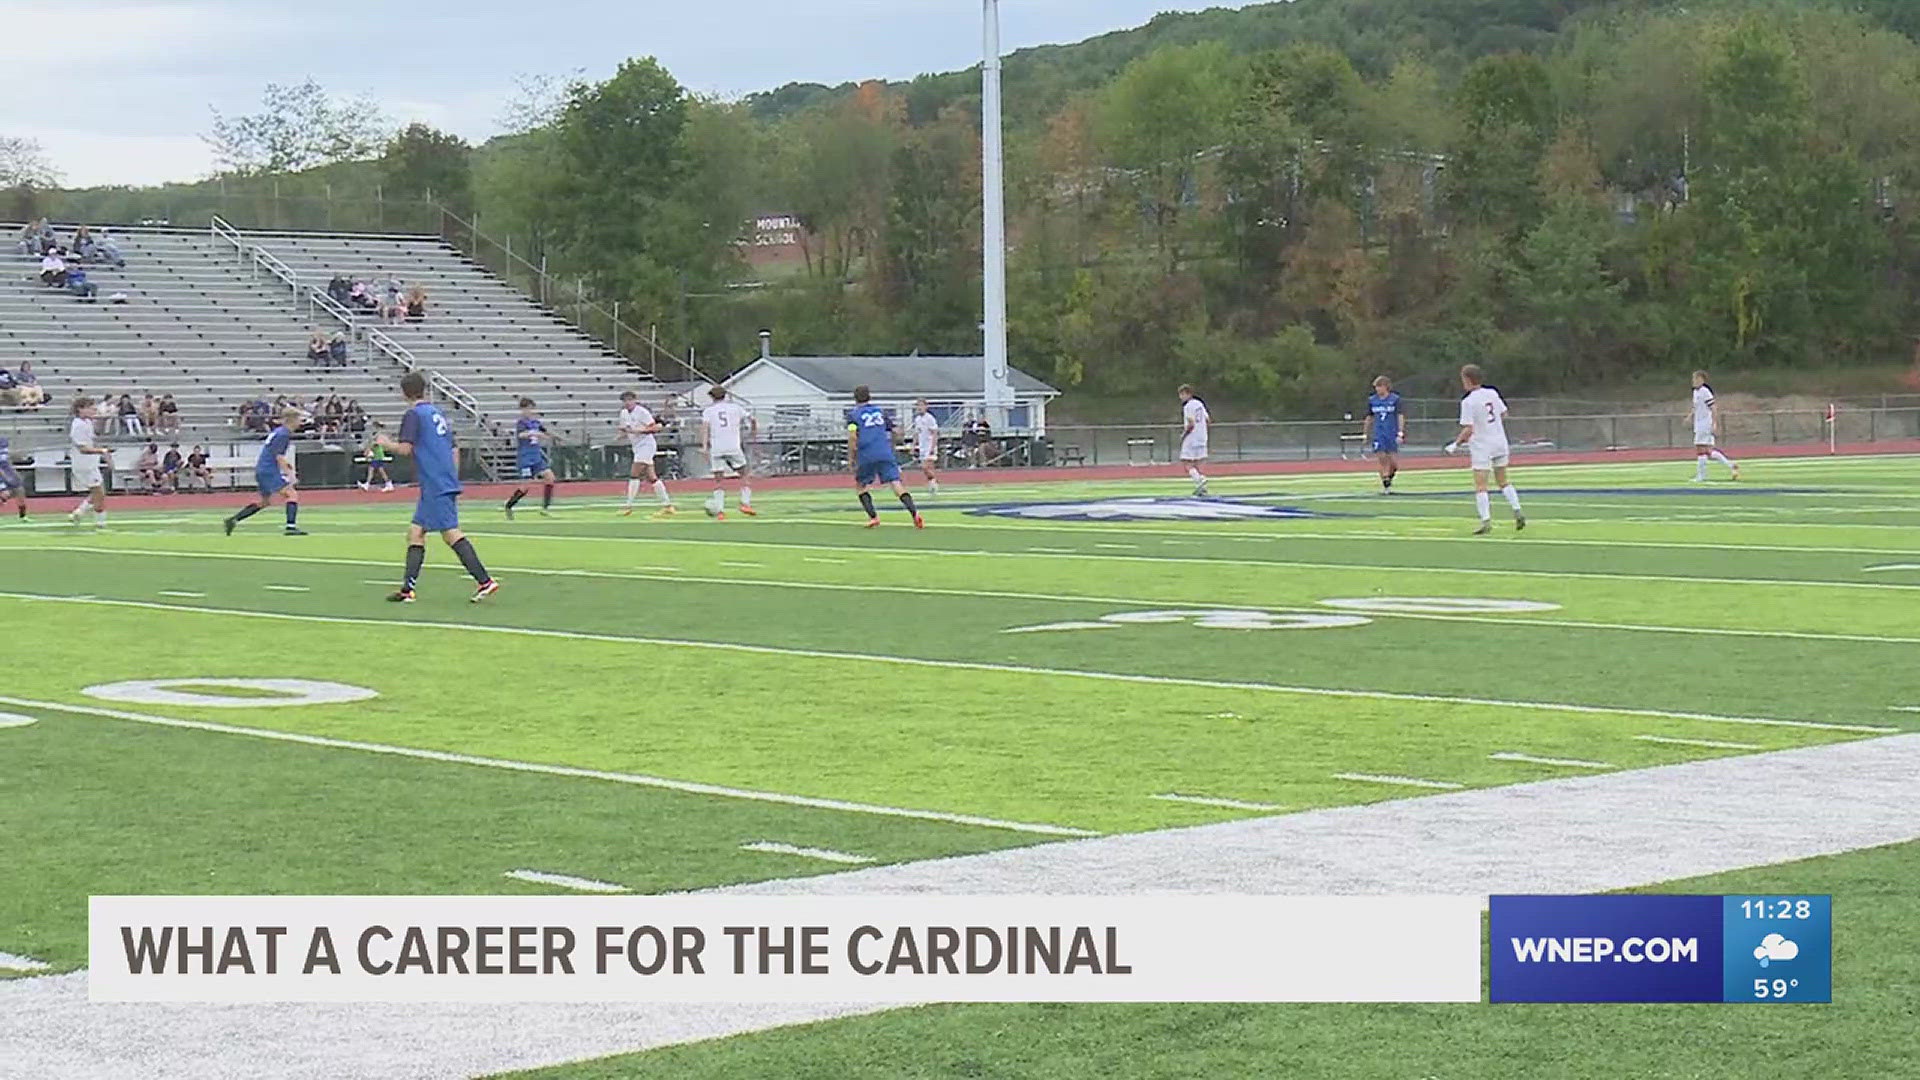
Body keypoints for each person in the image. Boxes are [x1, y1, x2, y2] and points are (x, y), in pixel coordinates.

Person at [376, 372, 499, 603]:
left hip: (435, 482)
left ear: (404, 393)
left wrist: (384, 443)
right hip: (440, 479)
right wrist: (452, 475)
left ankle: (485, 581)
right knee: (415, 532)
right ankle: (407, 589)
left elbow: (405, 449)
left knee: (451, 533)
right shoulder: (436, 412)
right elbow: (454, 447)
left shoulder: (413, 415)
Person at [1445, 364, 1526, 535]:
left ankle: (1486, 521)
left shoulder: (1468, 402)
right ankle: (1517, 509)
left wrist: (1456, 444)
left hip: (1483, 445)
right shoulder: (1492, 393)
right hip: (1500, 442)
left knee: (1481, 485)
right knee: (1503, 480)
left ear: (1467, 380)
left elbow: (1469, 428)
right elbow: (1504, 414)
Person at [848, 386, 925, 530]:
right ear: (869, 397)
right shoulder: (880, 412)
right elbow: (896, 430)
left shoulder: (853, 415)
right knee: (896, 484)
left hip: (866, 453)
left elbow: (852, 437)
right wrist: (894, 445)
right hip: (884, 452)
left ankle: (873, 517)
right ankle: (914, 513)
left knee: (861, 486)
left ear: (855, 398)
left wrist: (851, 458)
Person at [224, 408, 306, 536]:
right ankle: (291, 526)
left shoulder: (278, 432)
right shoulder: (283, 434)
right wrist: (291, 475)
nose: (300, 423)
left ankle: (233, 520)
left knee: (264, 502)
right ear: (292, 419)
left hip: (263, 469)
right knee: (291, 494)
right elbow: (278, 456)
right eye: (299, 419)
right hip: (269, 471)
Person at [699, 386, 757, 519]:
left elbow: (705, 428)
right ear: (725, 396)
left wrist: (704, 446)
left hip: (717, 448)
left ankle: (720, 511)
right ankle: (745, 503)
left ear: (712, 397)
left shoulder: (708, 411)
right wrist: (753, 433)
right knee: (745, 475)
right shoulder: (735, 408)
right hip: (733, 446)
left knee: (719, 481)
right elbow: (752, 419)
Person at [617, 390, 674, 518]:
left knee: (634, 474)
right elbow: (624, 428)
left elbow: (654, 427)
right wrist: (621, 435)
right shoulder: (624, 413)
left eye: (630, 400)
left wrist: (640, 431)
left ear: (635, 400)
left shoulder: (642, 412)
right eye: (625, 400)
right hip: (636, 446)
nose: (628, 403)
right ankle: (667, 505)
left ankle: (628, 505)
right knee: (652, 477)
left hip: (646, 445)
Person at [505, 397, 557, 519]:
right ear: (522, 410)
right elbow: (520, 435)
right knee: (525, 487)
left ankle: (545, 508)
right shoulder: (521, 423)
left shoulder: (536, 423)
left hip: (537, 457)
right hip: (526, 458)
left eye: (531, 408)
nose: (529, 411)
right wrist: (533, 433)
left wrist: (553, 436)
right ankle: (509, 505)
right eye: (526, 409)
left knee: (550, 477)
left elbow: (545, 431)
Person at [67, 396, 111, 529]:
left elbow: (94, 437)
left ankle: (79, 512)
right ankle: (100, 523)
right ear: (81, 409)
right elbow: (83, 449)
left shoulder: (87, 422)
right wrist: (102, 451)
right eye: (90, 407)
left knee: (98, 492)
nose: (93, 409)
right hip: (84, 464)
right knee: (99, 494)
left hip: (90, 463)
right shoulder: (78, 425)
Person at [1689, 370, 1740, 482]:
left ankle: (1702, 476)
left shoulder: (1705, 392)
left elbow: (1713, 408)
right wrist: (1689, 416)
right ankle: (1731, 465)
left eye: (1695, 379)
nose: (1693, 381)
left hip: (1704, 423)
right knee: (1708, 451)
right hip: (1699, 423)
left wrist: (1714, 423)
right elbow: (1695, 407)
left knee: (1700, 449)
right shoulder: (1695, 392)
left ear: (1701, 380)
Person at [1364, 375, 1407, 494]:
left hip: (1391, 433)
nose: (1377, 389)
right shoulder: (1373, 400)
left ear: (1385, 387)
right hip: (1379, 433)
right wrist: (1365, 433)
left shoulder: (1395, 399)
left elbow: (1400, 416)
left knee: (1393, 463)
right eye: (1376, 387)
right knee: (1383, 459)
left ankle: (1388, 478)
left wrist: (1400, 432)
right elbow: (1369, 417)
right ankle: (1386, 485)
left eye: (1379, 386)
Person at [1178, 384, 1210, 496]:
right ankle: (1202, 488)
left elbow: (1191, 423)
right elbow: (1207, 419)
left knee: (1186, 462)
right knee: (1198, 462)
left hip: (1192, 437)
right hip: (1202, 436)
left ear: (1188, 394)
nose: (1180, 397)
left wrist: (1184, 434)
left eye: (1182, 394)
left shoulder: (1188, 406)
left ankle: (1200, 479)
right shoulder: (1199, 404)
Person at [910, 399, 941, 496]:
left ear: (926, 406)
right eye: (918, 406)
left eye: (921, 405)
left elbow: (935, 433)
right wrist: (913, 446)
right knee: (926, 469)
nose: (919, 408)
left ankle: (933, 483)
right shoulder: (917, 419)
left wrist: (932, 447)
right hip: (922, 447)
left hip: (929, 446)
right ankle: (933, 483)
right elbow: (916, 433)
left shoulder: (930, 418)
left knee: (926, 466)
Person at [0, 435, 27, 519]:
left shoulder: (4, 445)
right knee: (5, 494)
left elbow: (8, 459)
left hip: (8, 472)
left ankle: (22, 516)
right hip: (2, 473)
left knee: (20, 490)